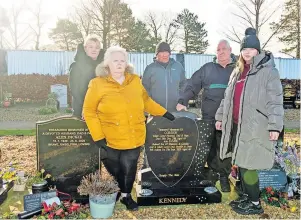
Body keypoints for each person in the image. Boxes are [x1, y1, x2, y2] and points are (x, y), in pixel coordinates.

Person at [83, 46, 175, 211]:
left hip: (134, 134)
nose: (119, 64)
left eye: (122, 60)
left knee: (129, 167)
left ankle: (126, 196)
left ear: (126, 63)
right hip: (109, 137)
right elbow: (89, 112)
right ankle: (119, 187)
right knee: (115, 168)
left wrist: (164, 112)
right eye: (115, 60)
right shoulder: (97, 84)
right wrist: (98, 136)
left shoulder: (134, 80)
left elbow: (146, 101)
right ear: (107, 64)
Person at [215, 27, 284, 215]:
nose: (247, 52)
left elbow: (276, 100)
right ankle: (247, 195)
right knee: (241, 162)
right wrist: (221, 116)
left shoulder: (268, 71)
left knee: (249, 164)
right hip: (237, 125)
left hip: (256, 126)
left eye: (251, 49)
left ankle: (255, 203)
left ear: (258, 50)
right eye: (244, 49)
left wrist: (275, 126)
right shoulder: (237, 72)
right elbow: (227, 98)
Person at [176, 39, 236, 192]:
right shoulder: (208, 69)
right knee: (210, 147)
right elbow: (192, 84)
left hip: (230, 118)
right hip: (209, 116)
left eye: (224, 49)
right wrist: (183, 100)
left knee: (225, 147)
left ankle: (224, 176)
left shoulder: (237, 69)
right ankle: (213, 173)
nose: (221, 51)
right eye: (218, 49)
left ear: (230, 50)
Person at [142, 42, 186, 112]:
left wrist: (181, 101)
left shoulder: (178, 67)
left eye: (166, 52)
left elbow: (184, 85)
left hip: (175, 110)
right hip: (156, 111)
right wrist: (150, 106)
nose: (165, 55)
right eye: (161, 52)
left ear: (170, 53)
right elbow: (144, 89)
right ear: (157, 54)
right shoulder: (150, 68)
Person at [69, 35, 104, 119]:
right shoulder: (76, 66)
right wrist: (87, 107)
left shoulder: (104, 67)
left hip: (100, 111)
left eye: (97, 47)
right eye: (91, 47)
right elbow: (75, 90)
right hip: (81, 110)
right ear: (85, 48)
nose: (94, 50)